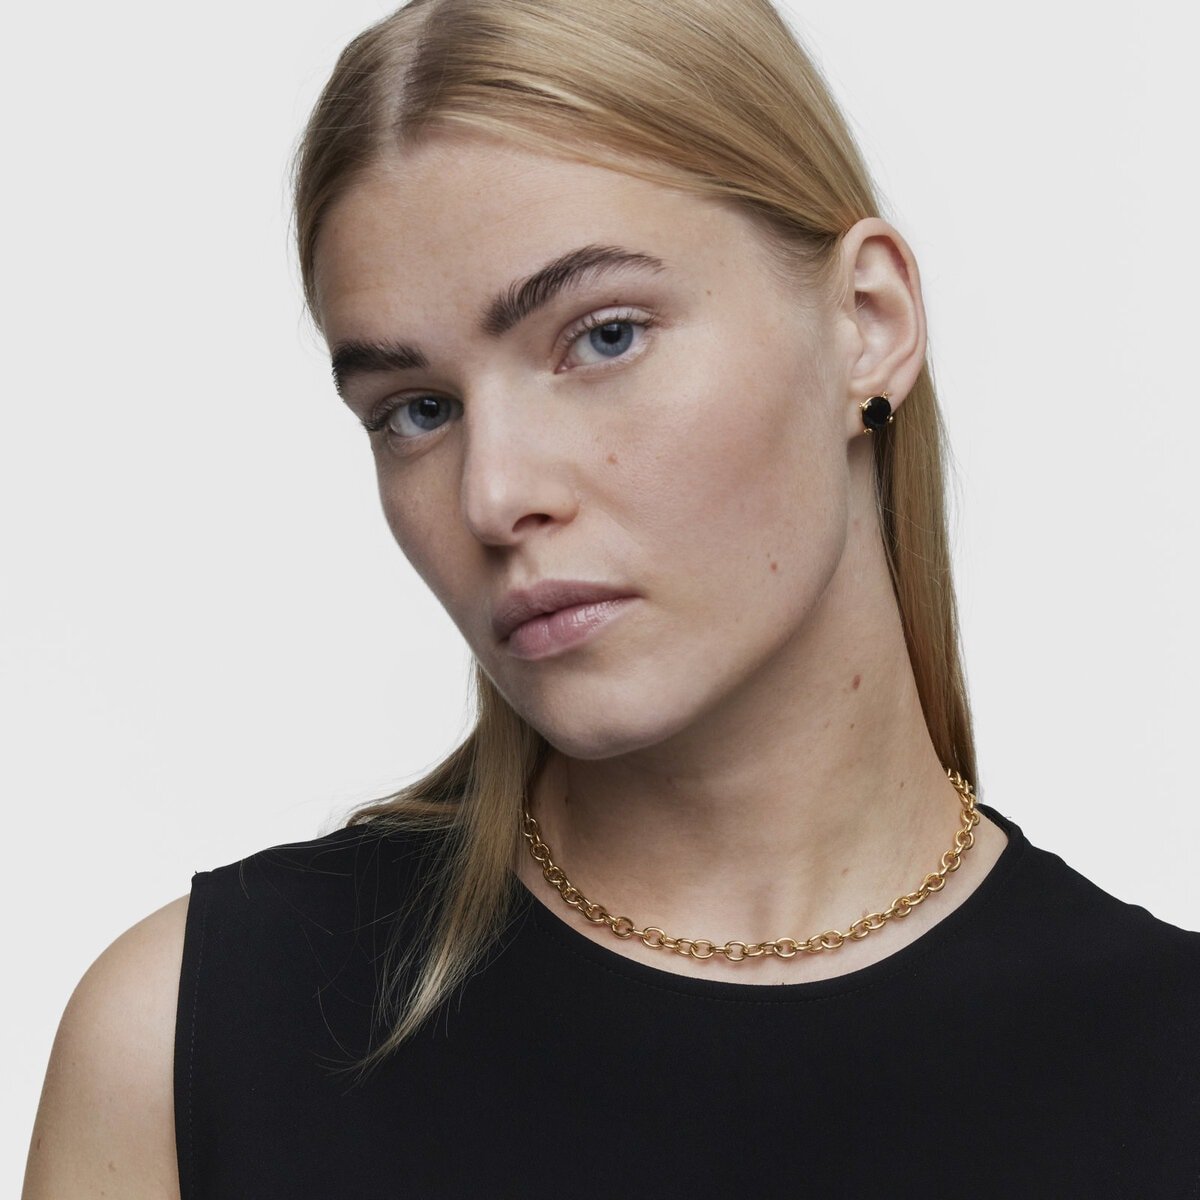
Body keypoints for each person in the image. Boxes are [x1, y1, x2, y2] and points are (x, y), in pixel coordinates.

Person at [22, 0, 1200, 1195]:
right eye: (416, 411)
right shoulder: (189, 1045)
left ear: (867, 324)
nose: (494, 495)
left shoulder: (1169, 1072)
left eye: (605, 337)